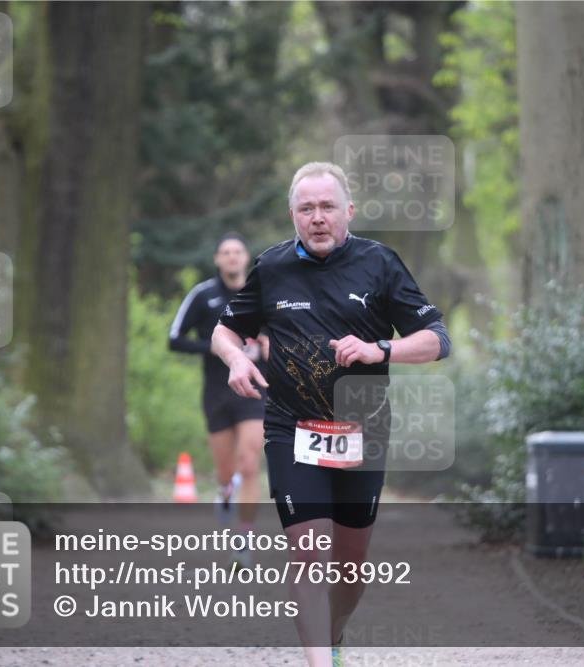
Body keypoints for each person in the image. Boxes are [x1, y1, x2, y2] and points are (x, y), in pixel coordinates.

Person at [211, 162, 451, 667]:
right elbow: (225, 330)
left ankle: (335, 634)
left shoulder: (381, 264)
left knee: (349, 568)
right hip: (290, 426)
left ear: (349, 212)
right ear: (293, 215)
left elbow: (436, 340)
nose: (317, 218)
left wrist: (379, 349)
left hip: (362, 429)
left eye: (327, 207)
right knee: (307, 555)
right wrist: (235, 358)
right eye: (306, 209)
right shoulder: (272, 267)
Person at [169, 232, 268, 567]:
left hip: (255, 391)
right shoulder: (203, 295)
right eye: (225, 252)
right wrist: (213, 348)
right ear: (217, 260)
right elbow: (175, 339)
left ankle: (243, 539)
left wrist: (271, 343)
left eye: (237, 251)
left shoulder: (263, 293)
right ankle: (225, 491)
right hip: (217, 393)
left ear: (246, 257)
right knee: (227, 472)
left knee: (250, 463)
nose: (231, 257)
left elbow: (287, 330)